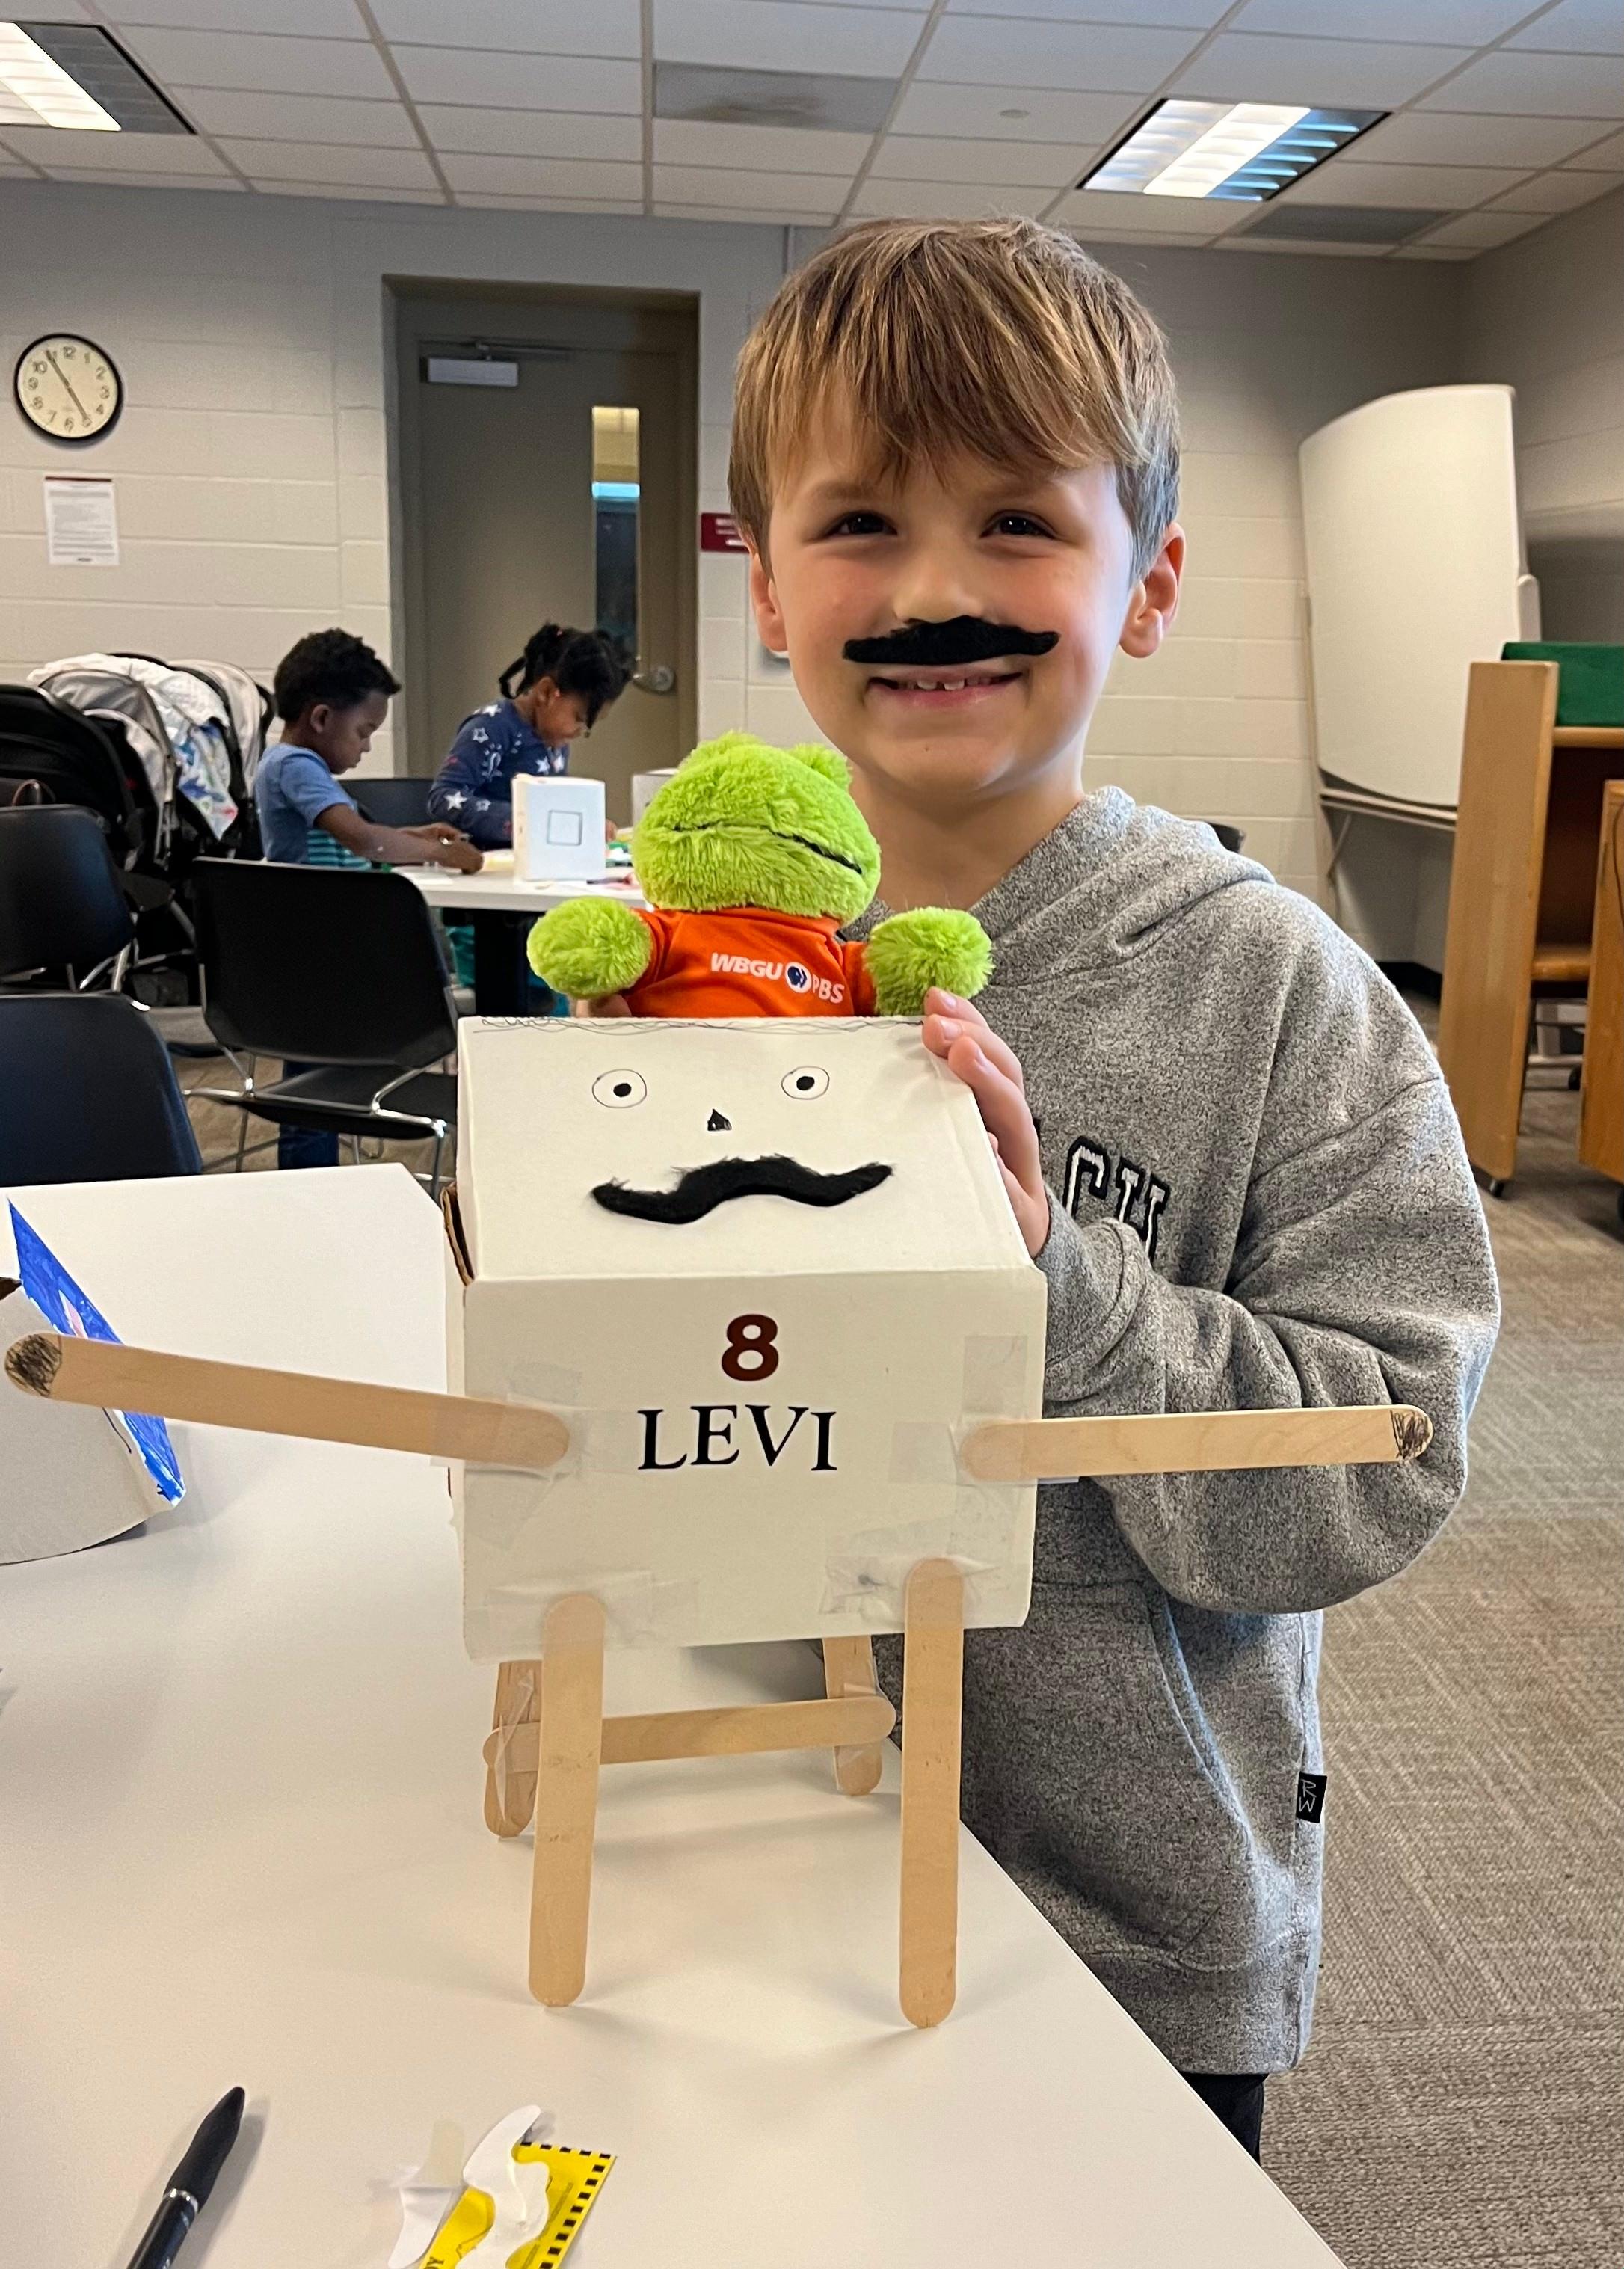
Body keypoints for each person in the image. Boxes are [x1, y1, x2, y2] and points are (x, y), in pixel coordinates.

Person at [617, 219, 1502, 2160]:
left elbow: (1386, 1458)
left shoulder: (1284, 995)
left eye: (1017, 522)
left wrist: (1049, 1276)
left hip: (1122, 1919)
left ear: (1150, 580)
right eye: (857, 525)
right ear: (763, 587)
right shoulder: (702, 958)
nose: (936, 588)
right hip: (748, 1839)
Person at [255, 627, 479, 1168]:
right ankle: (307, 1181)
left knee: (310, 1075)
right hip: (315, 944)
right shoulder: (296, 766)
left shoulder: (291, 766)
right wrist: (439, 856)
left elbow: (360, 835)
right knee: (313, 1082)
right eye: (363, 731)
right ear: (321, 718)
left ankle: (309, 1179)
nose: (367, 745)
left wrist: (419, 834)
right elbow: (363, 840)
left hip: (309, 946)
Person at [428, 623, 628, 849]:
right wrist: (525, 820)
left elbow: (553, 807)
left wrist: (587, 821)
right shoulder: (491, 728)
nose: (579, 732)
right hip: (485, 866)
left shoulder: (556, 740)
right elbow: (444, 797)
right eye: (579, 719)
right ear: (546, 692)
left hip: (535, 862)